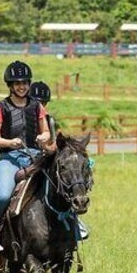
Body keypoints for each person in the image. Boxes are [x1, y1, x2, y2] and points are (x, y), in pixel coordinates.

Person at [0, 62, 51, 254]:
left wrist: (43, 137)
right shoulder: (0, 108)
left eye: (25, 83)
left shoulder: (37, 107)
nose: (22, 86)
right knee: (3, 194)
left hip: (35, 157)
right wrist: (9, 143)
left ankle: (75, 226)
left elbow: (45, 131)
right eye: (17, 83)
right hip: (10, 158)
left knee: (61, 185)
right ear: (10, 85)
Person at [29, 80, 90, 241]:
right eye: (36, 102)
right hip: (23, 158)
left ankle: (75, 221)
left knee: (62, 186)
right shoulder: (20, 117)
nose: (40, 105)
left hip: (44, 160)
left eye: (43, 102)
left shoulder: (49, 120)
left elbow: (53, 143)